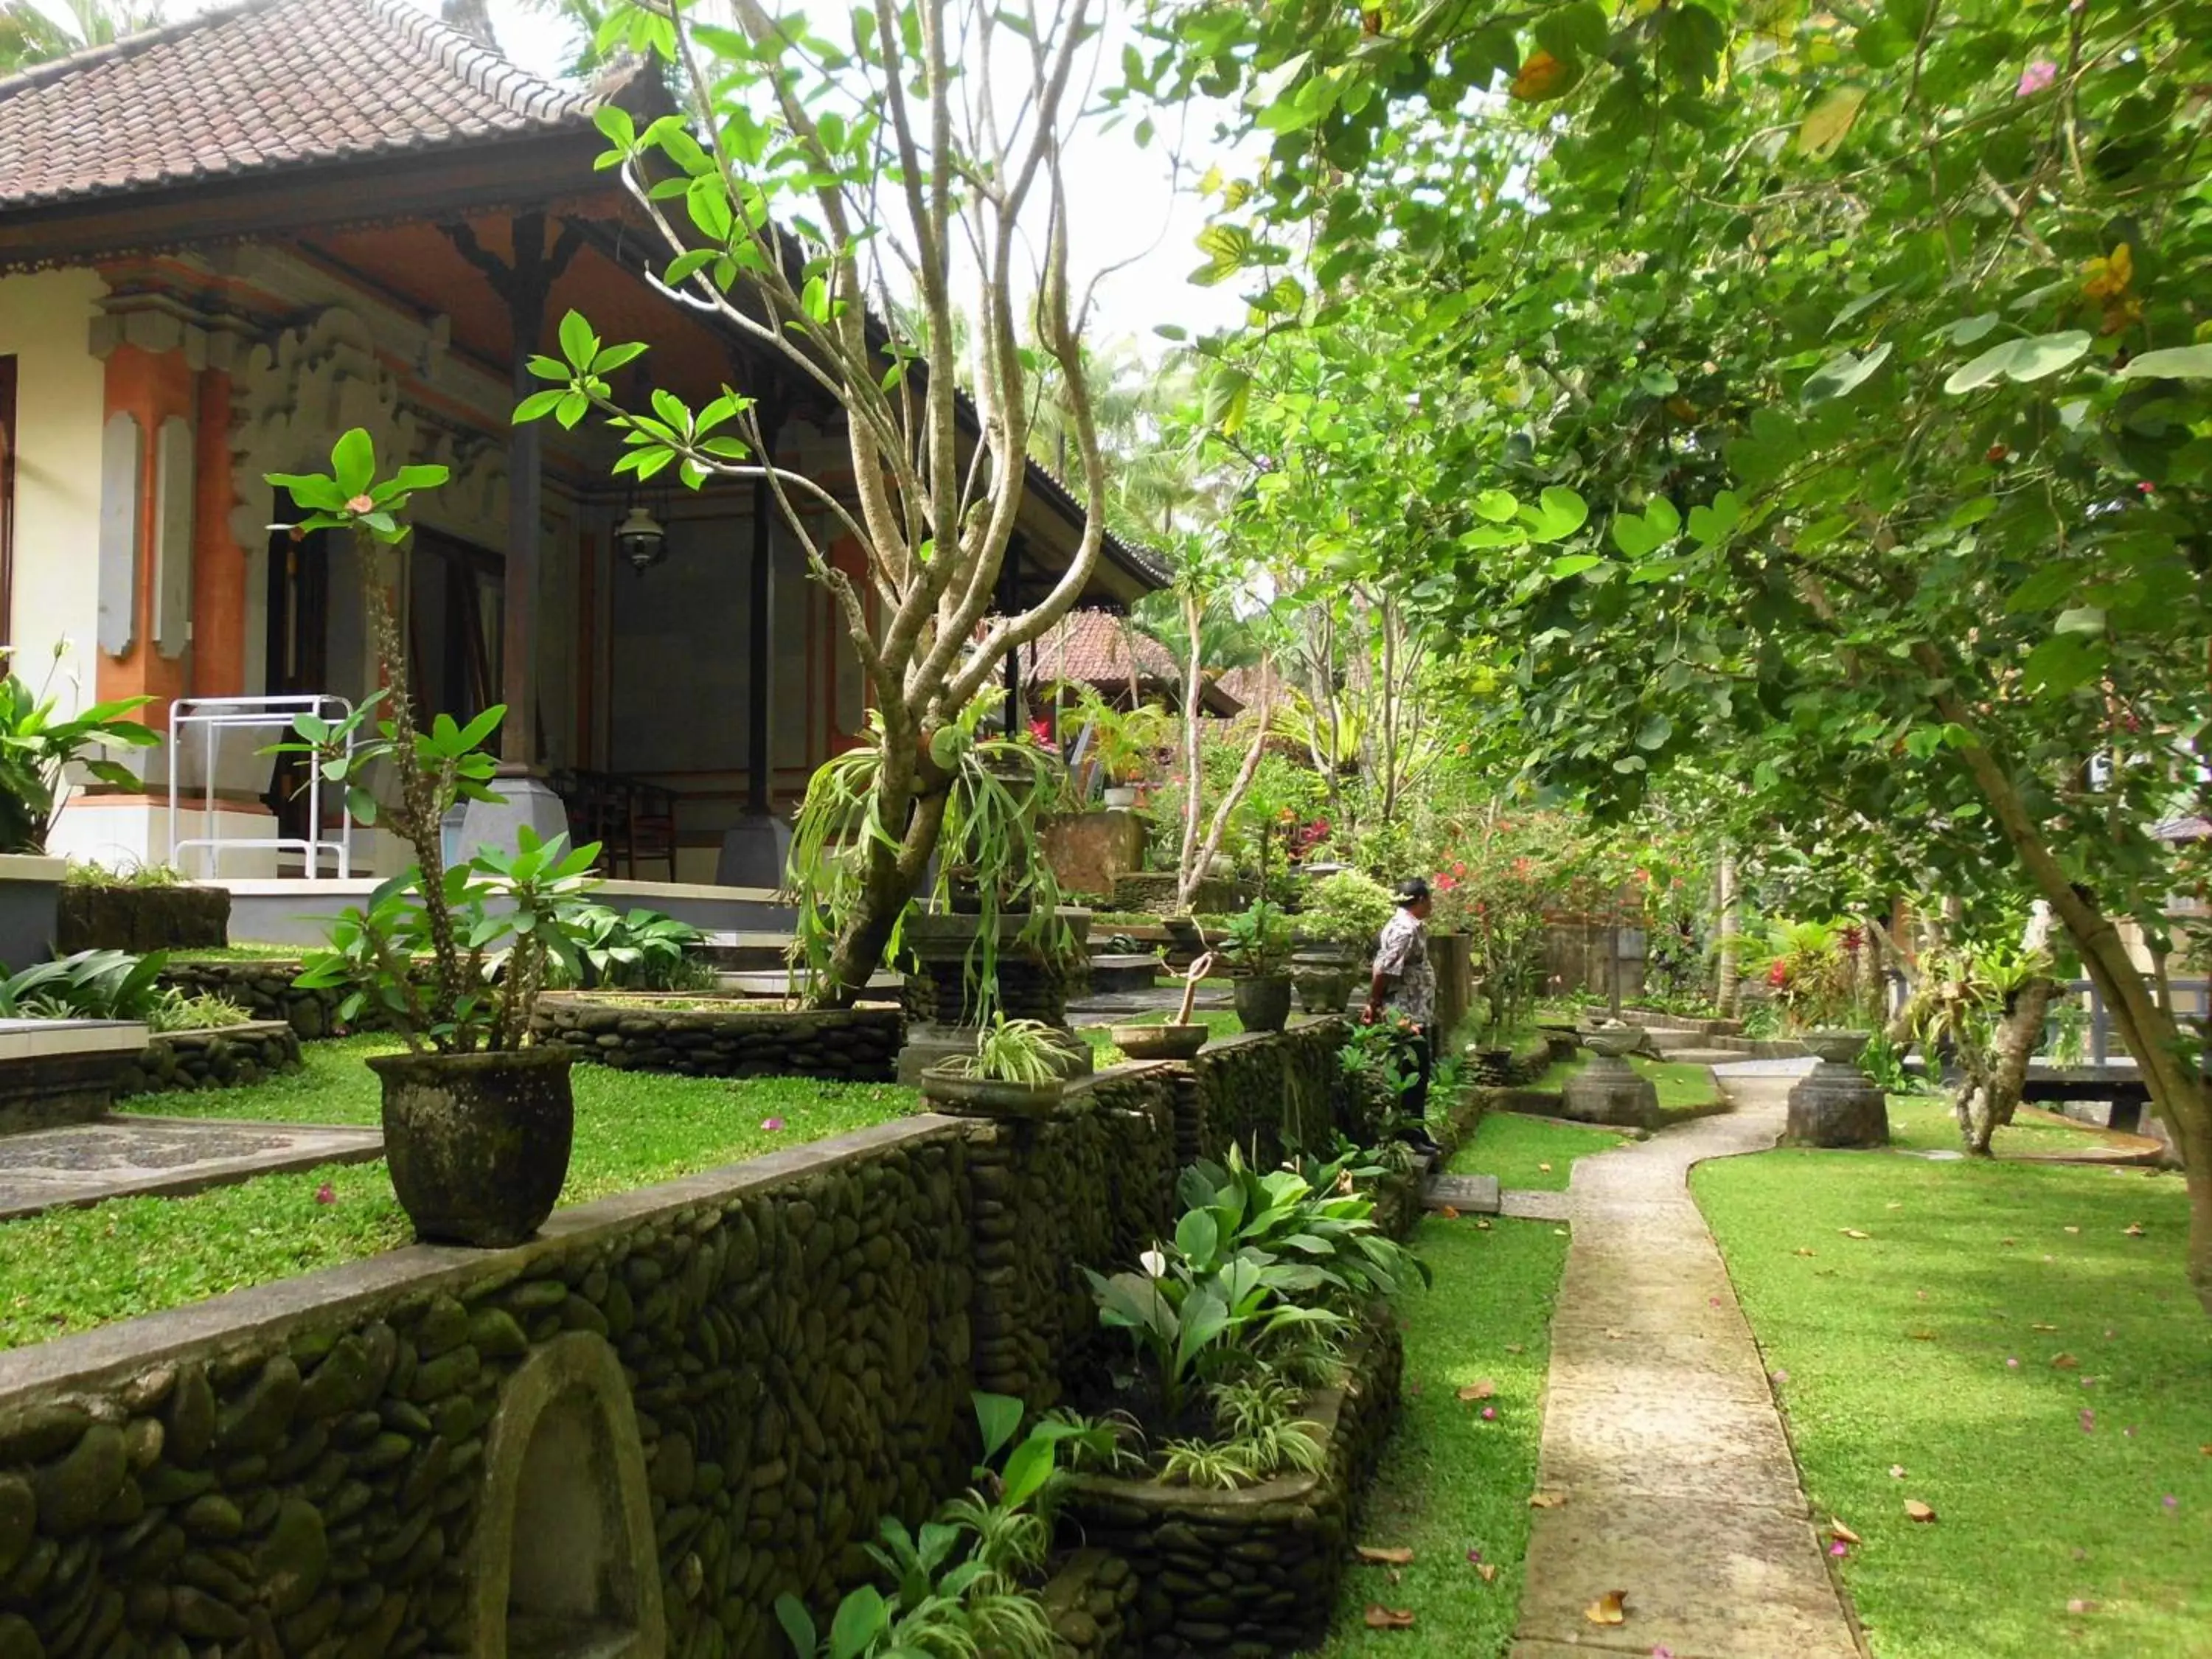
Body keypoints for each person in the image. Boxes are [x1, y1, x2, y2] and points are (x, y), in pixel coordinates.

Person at [1364, 877, 1439, 1155]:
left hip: (1416, 1011)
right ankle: (1409, 1135)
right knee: (1413, 1072)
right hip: (1405, 1014)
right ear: (1420, 900)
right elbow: (1382, 969)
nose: (1431, 905)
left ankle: (1417, 1130)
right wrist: (1374, 1001)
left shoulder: (1411, 927)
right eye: (1429, 899)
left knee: (1420, 1072)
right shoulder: (1405, 931)